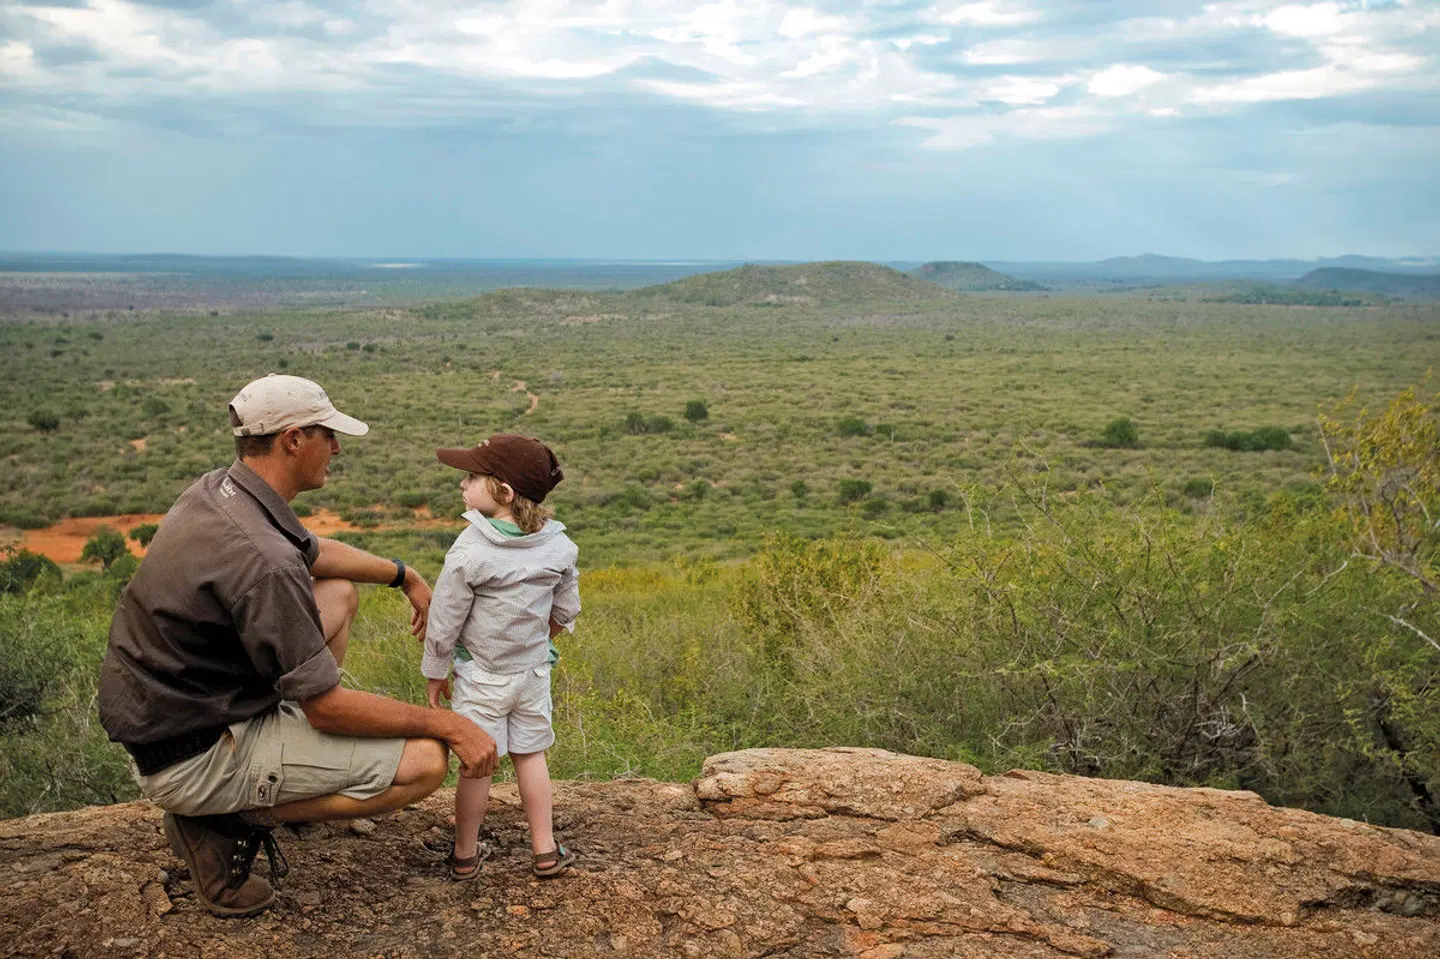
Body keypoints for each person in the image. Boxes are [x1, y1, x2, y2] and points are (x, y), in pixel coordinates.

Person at [98, 374, 498, 918]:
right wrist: (451, 724)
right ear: (292, 440)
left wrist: (404, 575)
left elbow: (312, 552)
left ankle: (254, 781)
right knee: (426, 762)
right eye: (326, 435)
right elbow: (328, 707)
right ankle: (223, 820)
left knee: (337, 594)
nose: (334, 448)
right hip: (195, 755)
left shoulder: (221, 491)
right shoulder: (263, 561)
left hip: (176, 716)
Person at [422, 433, 580, 881]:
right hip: (532, 673)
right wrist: (536, 640)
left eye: (472, 478)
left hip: (482, 678)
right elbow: (566, 609)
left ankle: (465, 856)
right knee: (531, 756)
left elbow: (445, 621)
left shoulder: (470, 551)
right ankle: (545, 851)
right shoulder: (559, 547)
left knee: (478, 763)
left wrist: (435, 672)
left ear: (504, 494)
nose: (463, 484)